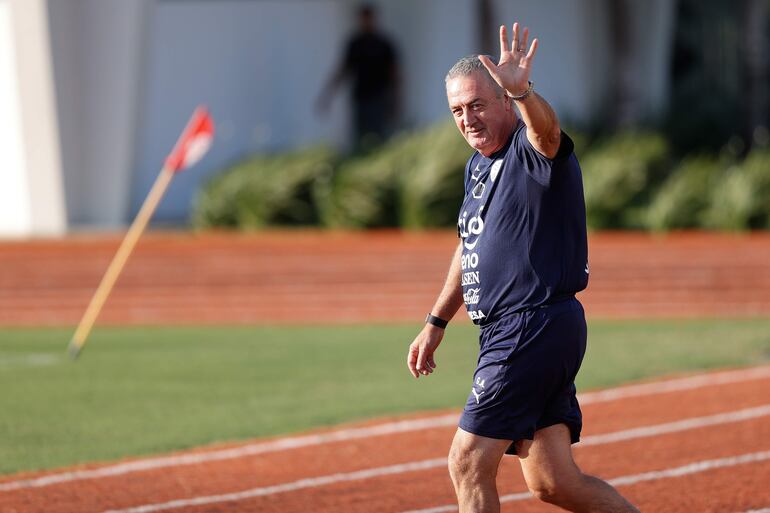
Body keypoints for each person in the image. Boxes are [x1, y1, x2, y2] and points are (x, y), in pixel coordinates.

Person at [406, 23, 641, 513]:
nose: (466, 118)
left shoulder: (531, 150)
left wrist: (524, 91)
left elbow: (547, 131)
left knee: (468, 461)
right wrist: (436, 321)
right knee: (555, 483)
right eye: (456, 110)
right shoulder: (477, 166)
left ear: (503, 101)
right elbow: (469, 247)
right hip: (523, 331)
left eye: (477, 104)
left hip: (529, 324)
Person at [316, 4, 400, 149]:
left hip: (379, 97)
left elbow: (395, 74)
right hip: (360, 97)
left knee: (379, 137)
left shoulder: (384, 44)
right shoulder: (355, 44)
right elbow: (343, 70)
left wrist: (396, 100)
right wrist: (327, 95)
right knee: (360, 136)